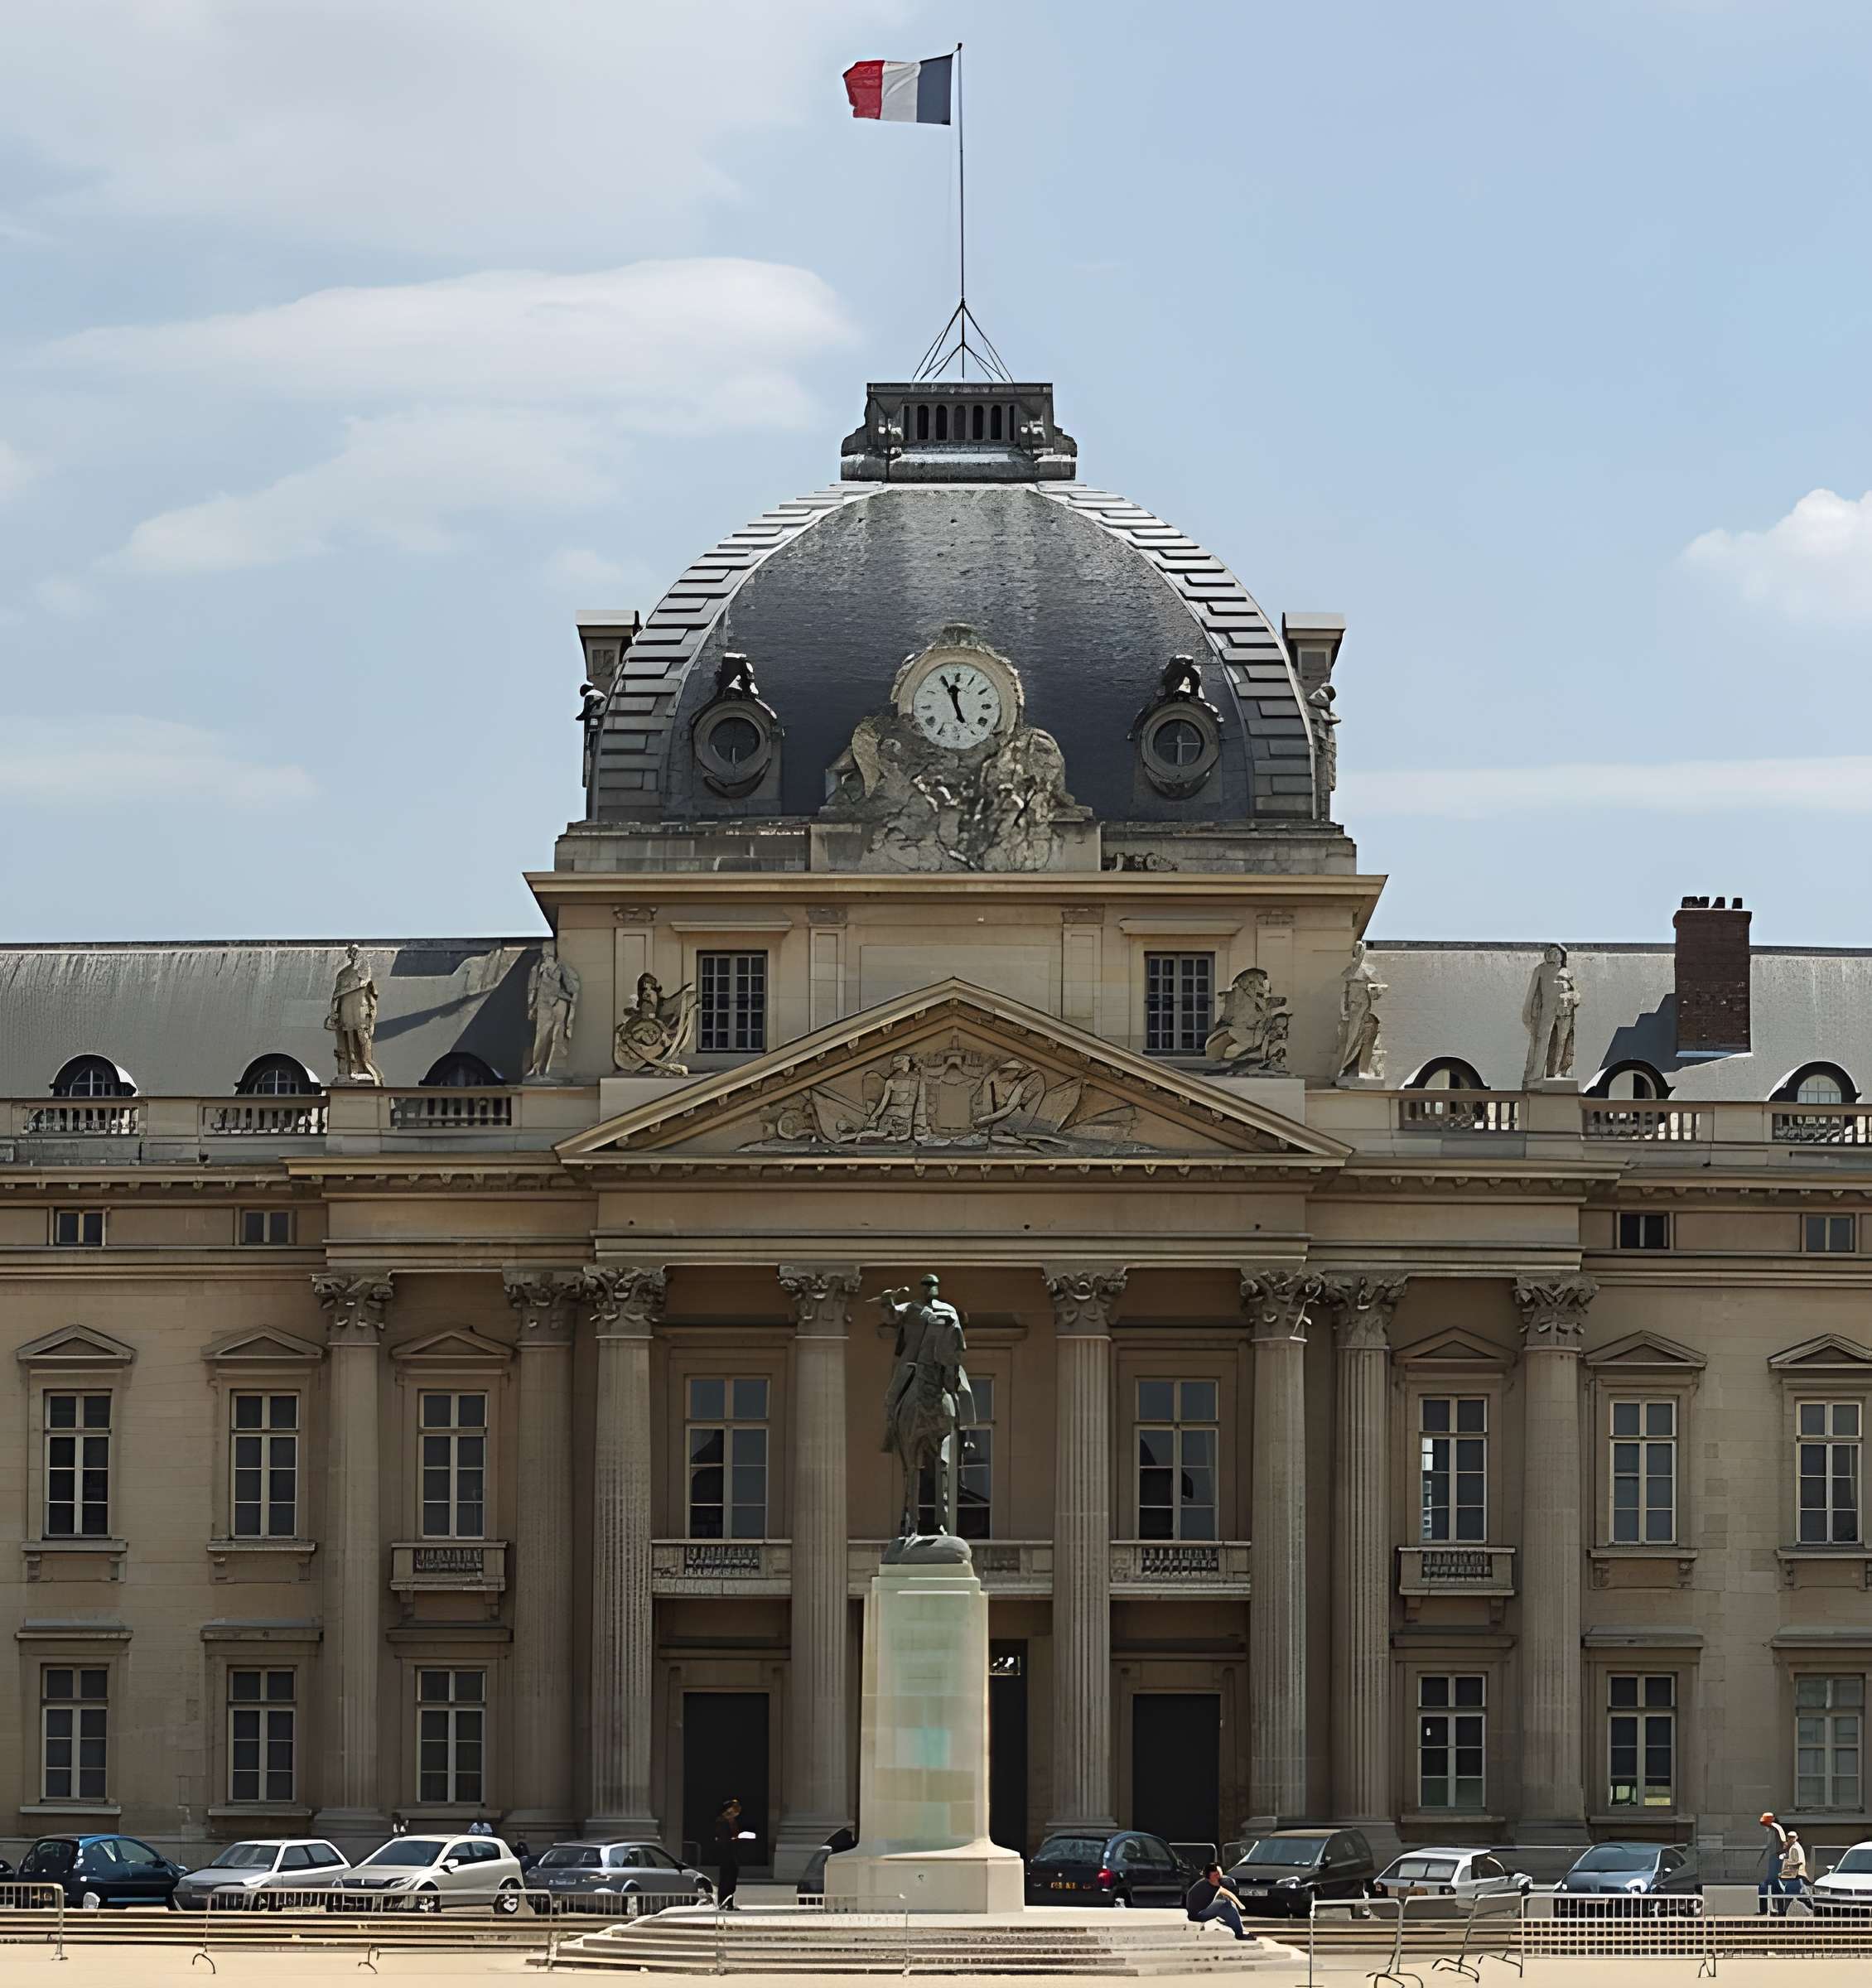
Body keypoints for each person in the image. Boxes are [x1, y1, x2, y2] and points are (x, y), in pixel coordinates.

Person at [1184, 1863, 1252, 1941]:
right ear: (1208, 1877)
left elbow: (1225, 1892)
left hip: (1204, 1910)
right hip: (1197, 1915)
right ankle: (1239, 1935)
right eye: (1215, 1875)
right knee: (1225, 1905)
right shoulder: (1203, 1886)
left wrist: (1240, 1904)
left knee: (1229, 1903)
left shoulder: (1214, 1883)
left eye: (1219, 1874)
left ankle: (1239, 1929)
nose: (1219, 1877)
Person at [712, 1797, 744, 1909]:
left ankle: (728, 1902)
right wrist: (733, 1840)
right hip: (726, 1854)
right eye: (734, 1810)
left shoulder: (732, 1821)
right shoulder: (722, 1821)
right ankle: (723, 1902)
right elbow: (723, 1839)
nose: (736, 1813)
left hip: (732, 1853)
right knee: (726, 1879)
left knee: (731, 1880)